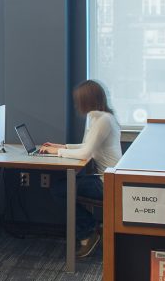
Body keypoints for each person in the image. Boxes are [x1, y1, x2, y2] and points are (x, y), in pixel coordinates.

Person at [39, 79, 123, 259]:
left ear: (87, 100)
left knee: (60, 189)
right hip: (104, 177)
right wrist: (63, 146)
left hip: (108, 182)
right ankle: (89, 229)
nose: (77, 104)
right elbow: (87, 146)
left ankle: (88, 231)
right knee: (62, 187)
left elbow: (86, 152)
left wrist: (57, 151)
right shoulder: (99, 117)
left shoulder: (103, 120)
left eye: (79, 100)